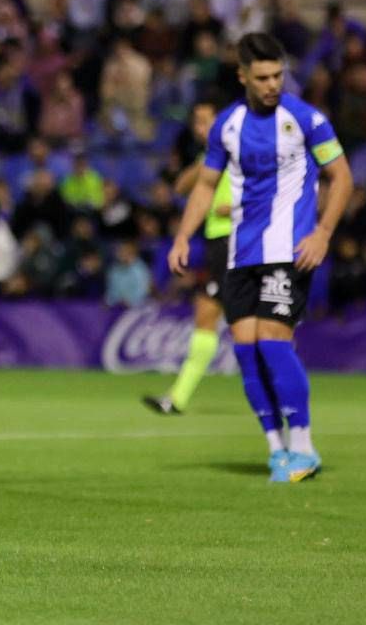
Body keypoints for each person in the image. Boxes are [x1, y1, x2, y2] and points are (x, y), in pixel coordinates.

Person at [169, 33, 352, 484]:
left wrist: (324, 232)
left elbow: (341, 176)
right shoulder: (226, 126)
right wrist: (182, 237)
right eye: (263, 77)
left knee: (273, 340)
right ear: (242, 77)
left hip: (288, 250)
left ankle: (304, 446)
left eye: (278, 75)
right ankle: (276, 449)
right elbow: (206, 186)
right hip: (239, 252)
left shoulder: (307, 119)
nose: (273, 84)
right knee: (247, 351)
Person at [144, 100, 233, 415]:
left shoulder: (243, 153)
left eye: (205, 121)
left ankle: (280, 395)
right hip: (217, 245)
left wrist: (237, 208)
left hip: (241, 241)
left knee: (247, 323)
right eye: (196, 123)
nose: (199, 129)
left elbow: (270, 191)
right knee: (208, 314)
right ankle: (178, 398)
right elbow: (180, 186)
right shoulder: (210, 157)